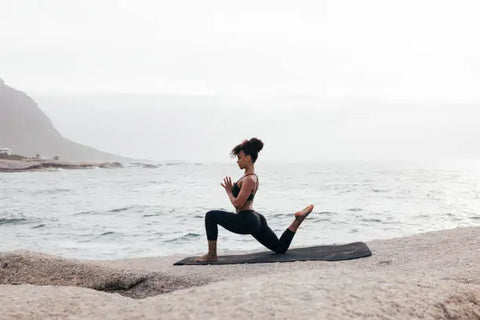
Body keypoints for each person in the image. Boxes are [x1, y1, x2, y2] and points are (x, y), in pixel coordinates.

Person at [195, 138, 314, 262]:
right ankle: (298, 220)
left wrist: (229, 191)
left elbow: (238, 204)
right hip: (256, 219)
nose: (237, 161)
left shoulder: (249, 179)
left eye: (239, 158)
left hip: (246, 219)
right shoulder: (251, 178)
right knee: (280, 248)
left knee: (210, 216)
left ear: (248, 158)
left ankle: (212, 255)